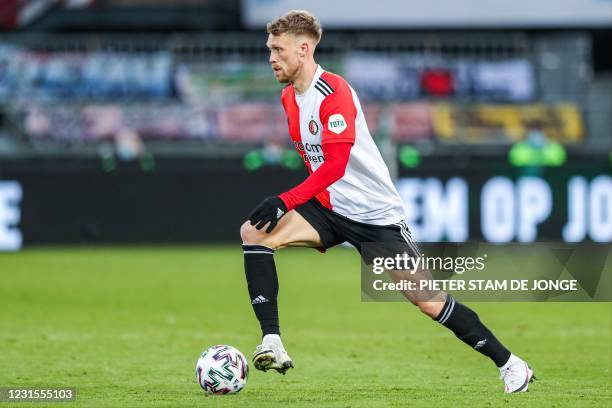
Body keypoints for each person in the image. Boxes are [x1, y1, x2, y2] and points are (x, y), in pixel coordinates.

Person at [240, 10, 535, 393]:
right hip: (329, 208)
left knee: (426, 300)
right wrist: (293, 207)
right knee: (255, 233)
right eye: (269, 49)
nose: (271, 58)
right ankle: (272, 341)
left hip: (375, 216)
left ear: (304, 48)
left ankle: (511, 364)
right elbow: (321, 168)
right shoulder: (288, 98)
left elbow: (335, 165)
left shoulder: (335, 93)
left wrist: (285, 200)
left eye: (278, 49)